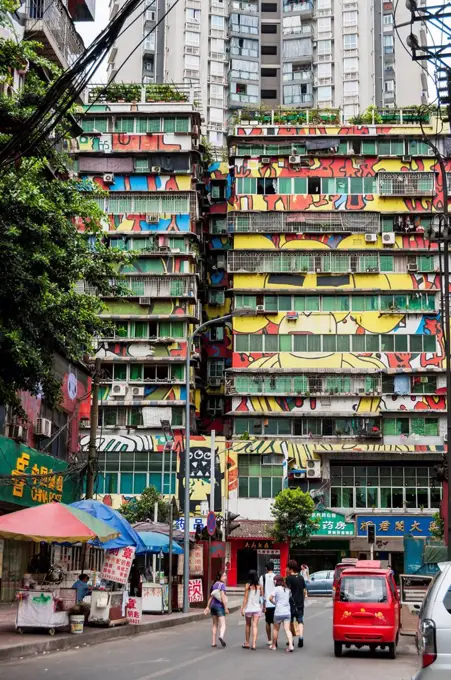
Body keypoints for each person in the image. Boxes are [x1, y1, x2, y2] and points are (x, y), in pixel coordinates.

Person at [269, 575, 293, 652]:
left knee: (276, 629)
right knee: (287, 629)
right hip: (287, 612)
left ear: (276, 581)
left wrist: (275, 603)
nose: (273, 581)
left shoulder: (276, 589)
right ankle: (291, 645)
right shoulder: (287, 589)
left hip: (278, 612)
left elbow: (270, 598)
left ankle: (273, 645)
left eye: (274, 580)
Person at [204, 570, 229, 648]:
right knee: (223, 624)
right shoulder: (222, 585)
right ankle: (221, 636)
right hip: (219, 607)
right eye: (224, 576)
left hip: (213, 606)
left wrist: (208, 607)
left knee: (215, 624)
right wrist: (226, 608)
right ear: (220, 577)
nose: (225, 577)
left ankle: (213, 642)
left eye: (226, 576)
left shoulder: (214, 585)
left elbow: (211, 597)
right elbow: (222, 597)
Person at [241, 569, 263, 650]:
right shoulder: (260, 586)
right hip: (257, 608)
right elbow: (261, 596)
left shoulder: (247, 585)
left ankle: (247, 643)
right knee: (255, 626)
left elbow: (245, 598)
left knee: (248, 625)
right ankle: (254, 644)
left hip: (249, 608)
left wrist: (242, 608)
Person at [286, 559, 307, 648]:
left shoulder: (288, 579)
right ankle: (301, 638)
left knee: (290, 622)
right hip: (300, 604)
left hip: (291, 604)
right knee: (300, 621)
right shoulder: (301, 578)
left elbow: (287, 591)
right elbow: (304, 590)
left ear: (290, 569)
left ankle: (292, 641)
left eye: (287, 568)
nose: (286, 569)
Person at [259, 561, 276, 646]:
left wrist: (263, 605)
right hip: (275, 603)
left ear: (266, 568)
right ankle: (274, 640)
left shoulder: (263, 577)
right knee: (275, 623)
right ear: (273, 568)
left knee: (268, 622)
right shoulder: (276, 577)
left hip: (267, 604)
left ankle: (269, 639)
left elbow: (262, 592)